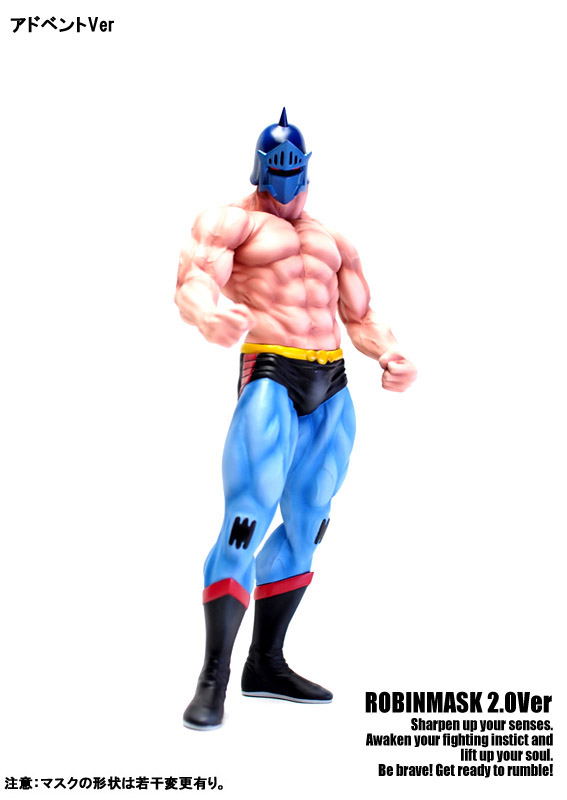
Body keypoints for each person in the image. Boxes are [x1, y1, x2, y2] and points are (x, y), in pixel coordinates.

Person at [175, 109, 416, 730]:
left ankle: (266, 664)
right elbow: (193, 281)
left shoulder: (333, 240)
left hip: (332, 384)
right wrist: (209, 317)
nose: (284, 193)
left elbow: (362, 316)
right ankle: (213, 678)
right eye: (274, 178)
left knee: (309, 524)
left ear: (307, 174)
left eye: (294, 179)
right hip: (272, 376)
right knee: (245, 521)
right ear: (258, 173)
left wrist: (390, 352)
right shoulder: (231, 222)